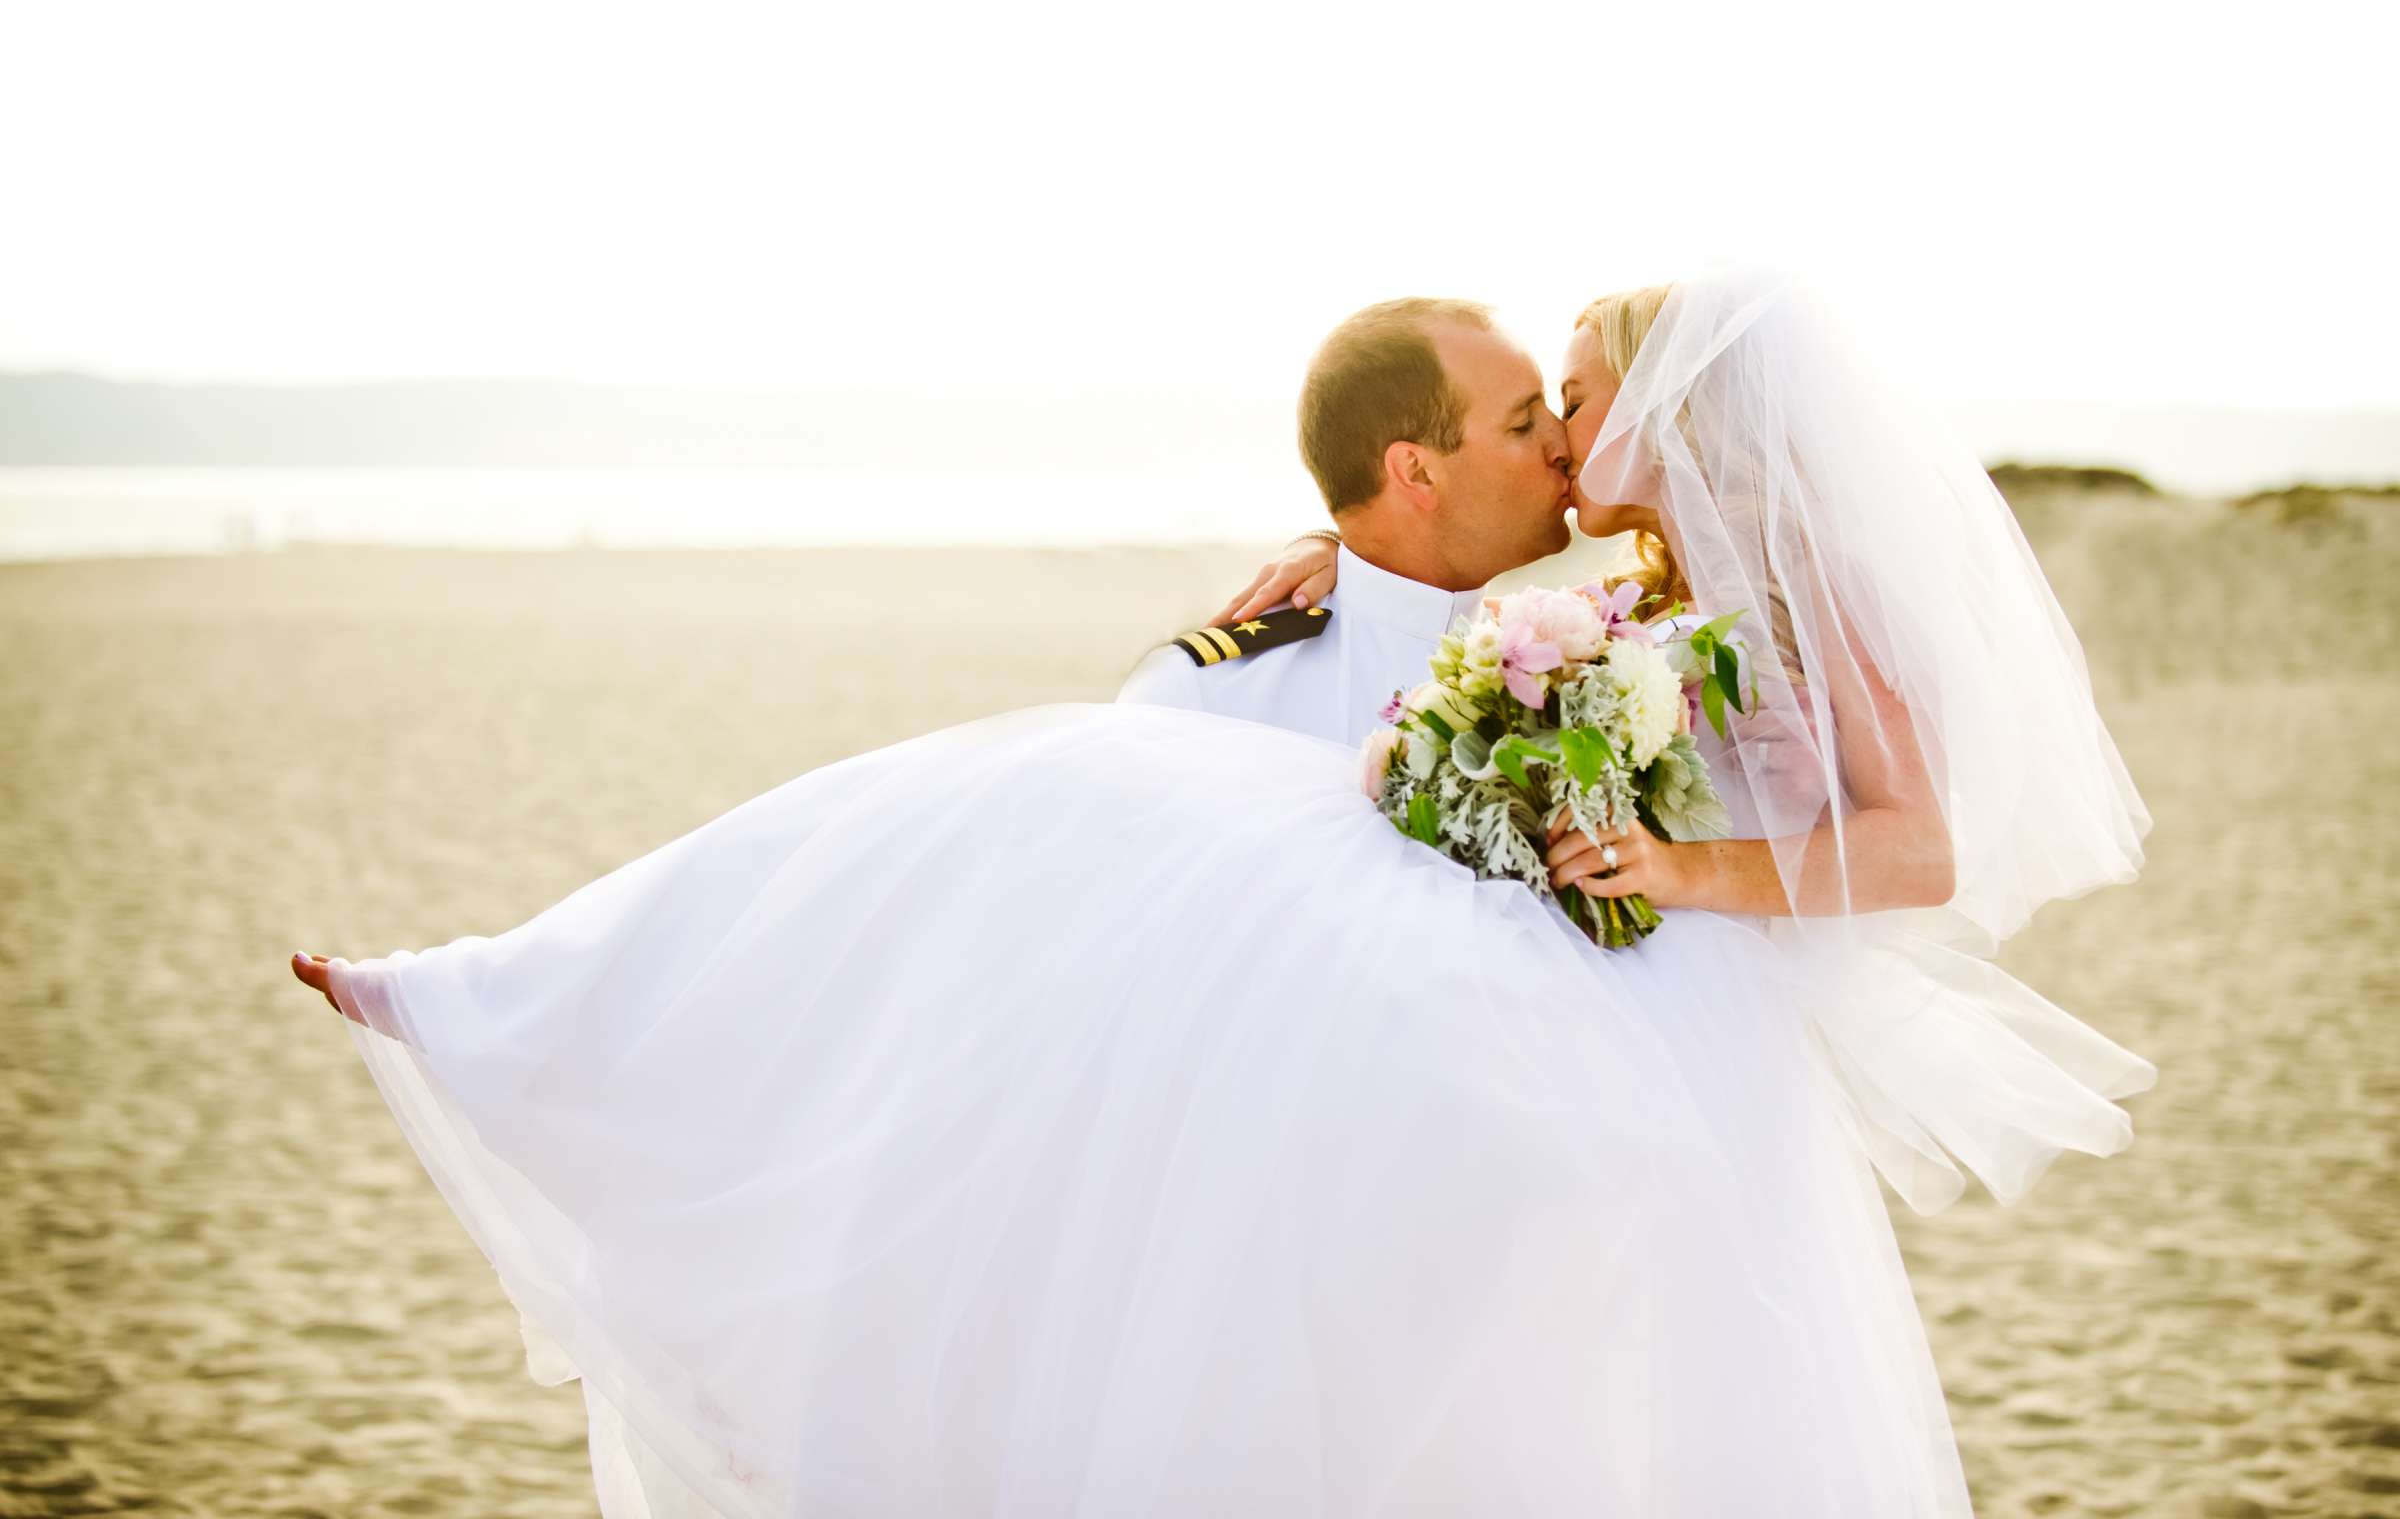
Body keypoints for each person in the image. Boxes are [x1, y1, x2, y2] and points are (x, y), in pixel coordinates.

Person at [291, 272, 2155, 1517]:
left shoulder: (1727, 587)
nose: (1570, 442)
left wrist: (1666, 860)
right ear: (1421, 472)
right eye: (1541, 418)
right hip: (1510, 1036)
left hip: (1663, 1034)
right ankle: (501, 1001)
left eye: (1578, 407)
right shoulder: (1522, 604)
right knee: (1047, 797)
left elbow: (1912, 836)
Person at [1115, 297, 1576, 746]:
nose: (1563, 443)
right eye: (1521, 425)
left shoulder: (1576, 655)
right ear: (1416, 471)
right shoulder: (1203, 694)